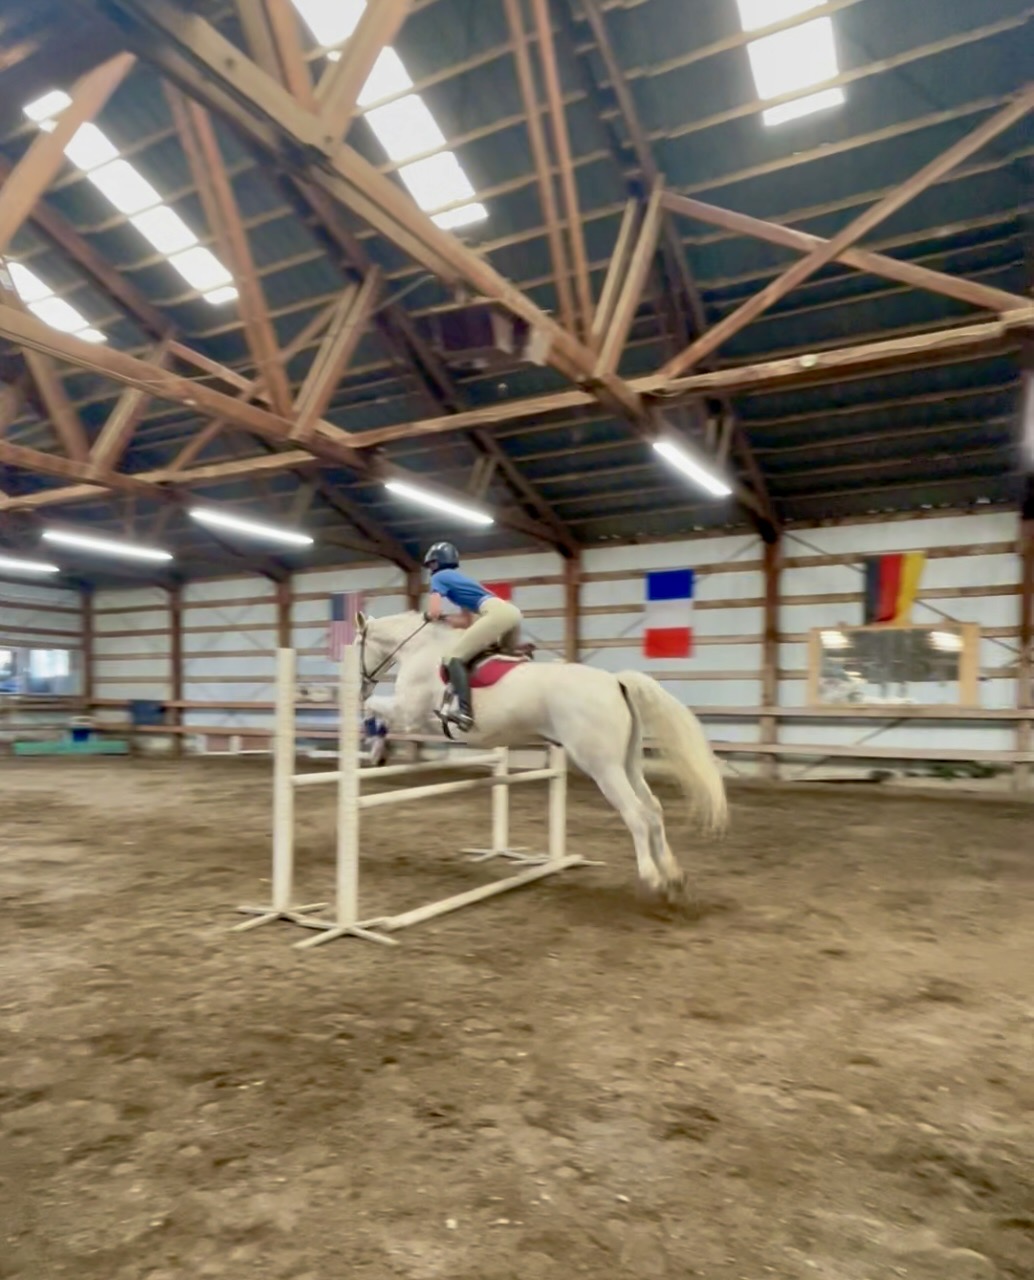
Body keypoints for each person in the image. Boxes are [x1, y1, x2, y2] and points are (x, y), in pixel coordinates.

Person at [423, 541, 523, 731]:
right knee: (496, 655)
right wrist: (444, 618)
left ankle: (465, 713)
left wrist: (429, 616)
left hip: (495, 613)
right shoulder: (461, 580)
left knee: (453, 658)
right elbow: (464, 621)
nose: (430, 568)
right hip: (510, 612)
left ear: (438, 562)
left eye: (431, 564)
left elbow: (433, 612)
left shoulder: (439, 577)